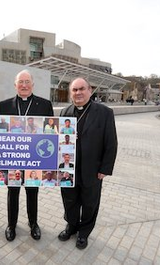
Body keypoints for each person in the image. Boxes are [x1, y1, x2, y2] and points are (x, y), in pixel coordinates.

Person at [58, 77, 117, 250]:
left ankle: (84, 233)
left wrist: (105, 168)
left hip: (92, 169)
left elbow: (111, 142)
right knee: (69, 200)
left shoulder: (104, 112)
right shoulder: (64, 113)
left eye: (81, 89)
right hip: (68, 167)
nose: (78, 93)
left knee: (90, 203)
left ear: (90, 90)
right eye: (74, 90)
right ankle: (71, 226)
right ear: (71, 93)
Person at [0, 69, 54, 241]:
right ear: (15, 85)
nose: (24, 85)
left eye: (27, 82)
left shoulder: (45, 105)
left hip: (34, 160)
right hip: (13, 159)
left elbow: (51, 134)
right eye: (20, 82)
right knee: (12, 192)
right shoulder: (3, 106)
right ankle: (11, 225)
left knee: (32, 191)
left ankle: (33, 223)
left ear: (32, 85)